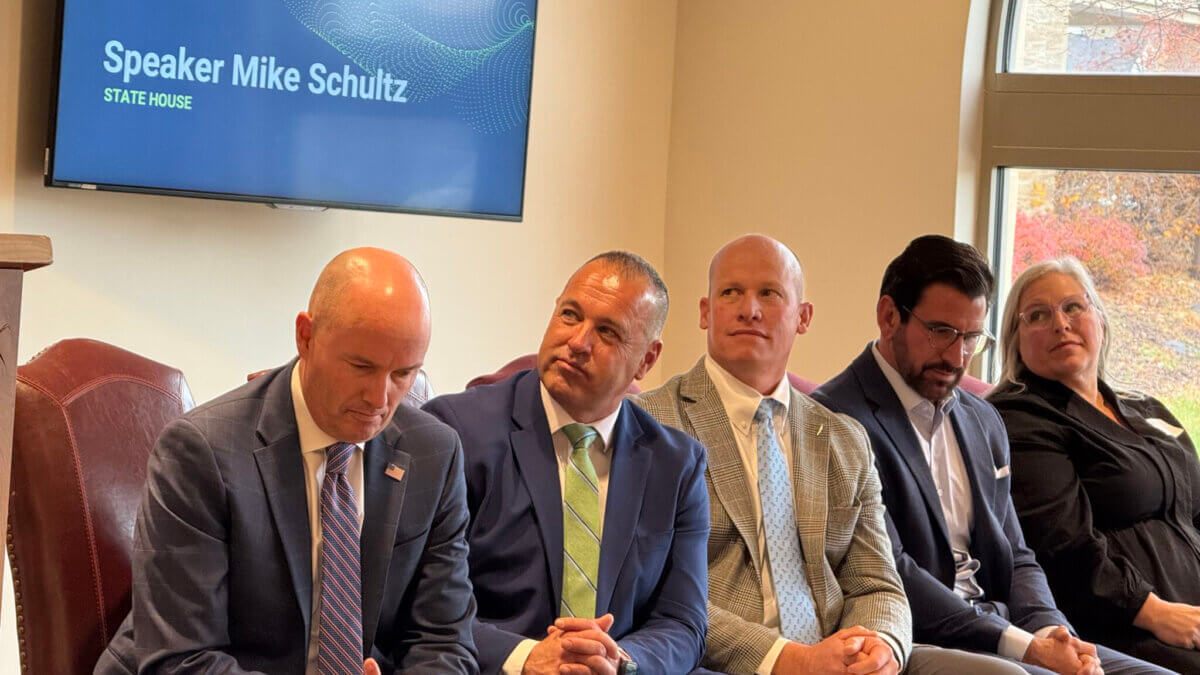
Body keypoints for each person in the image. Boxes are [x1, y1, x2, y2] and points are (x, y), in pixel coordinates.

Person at [637, 234, 1048, 675]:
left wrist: (879, 646)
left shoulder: (842, 436)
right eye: (731, 292)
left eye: (769, 294)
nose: (749, 309)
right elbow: (659, 593)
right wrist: (794, 660)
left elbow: (879, 583)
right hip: (730, 662)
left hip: (846, 656)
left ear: (803, 317)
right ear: (706, 312)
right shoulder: (651, 425)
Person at [95, 248, 477, 674]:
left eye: (403, 374)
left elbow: (445, 642)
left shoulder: (434, 453)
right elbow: (181, 660)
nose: (379, 398)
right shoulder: (201, 452)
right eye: (361, 366)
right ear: (306, 337)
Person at [814, 235, 1167, 674]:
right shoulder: (834, 419)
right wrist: (1026, 647)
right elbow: (892, 571)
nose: (957, 356)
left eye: (971, 338)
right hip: (921, 639)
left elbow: (1017, 554)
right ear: (889, 316)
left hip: (1007, 631)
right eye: (941, 332)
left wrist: (1052, 632)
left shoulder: (982, 418)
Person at [423, 251, 710, 675]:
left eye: (607, 332)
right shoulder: (456, 431)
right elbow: (423, 605)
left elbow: (683, 621)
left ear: (647, 360)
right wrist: (526, 657)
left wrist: (620, 661)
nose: (578, 342)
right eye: (570, 315)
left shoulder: (677, 464)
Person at [988, 257, 1200, 672]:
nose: (1060, 324)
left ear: (1100, 319)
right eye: (1038, 315)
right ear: (1016, 340)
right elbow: (1063, 549)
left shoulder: (1146, 406)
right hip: (1126, 624)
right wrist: (1155, 613)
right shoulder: (1019, 418)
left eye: (1073, 307)